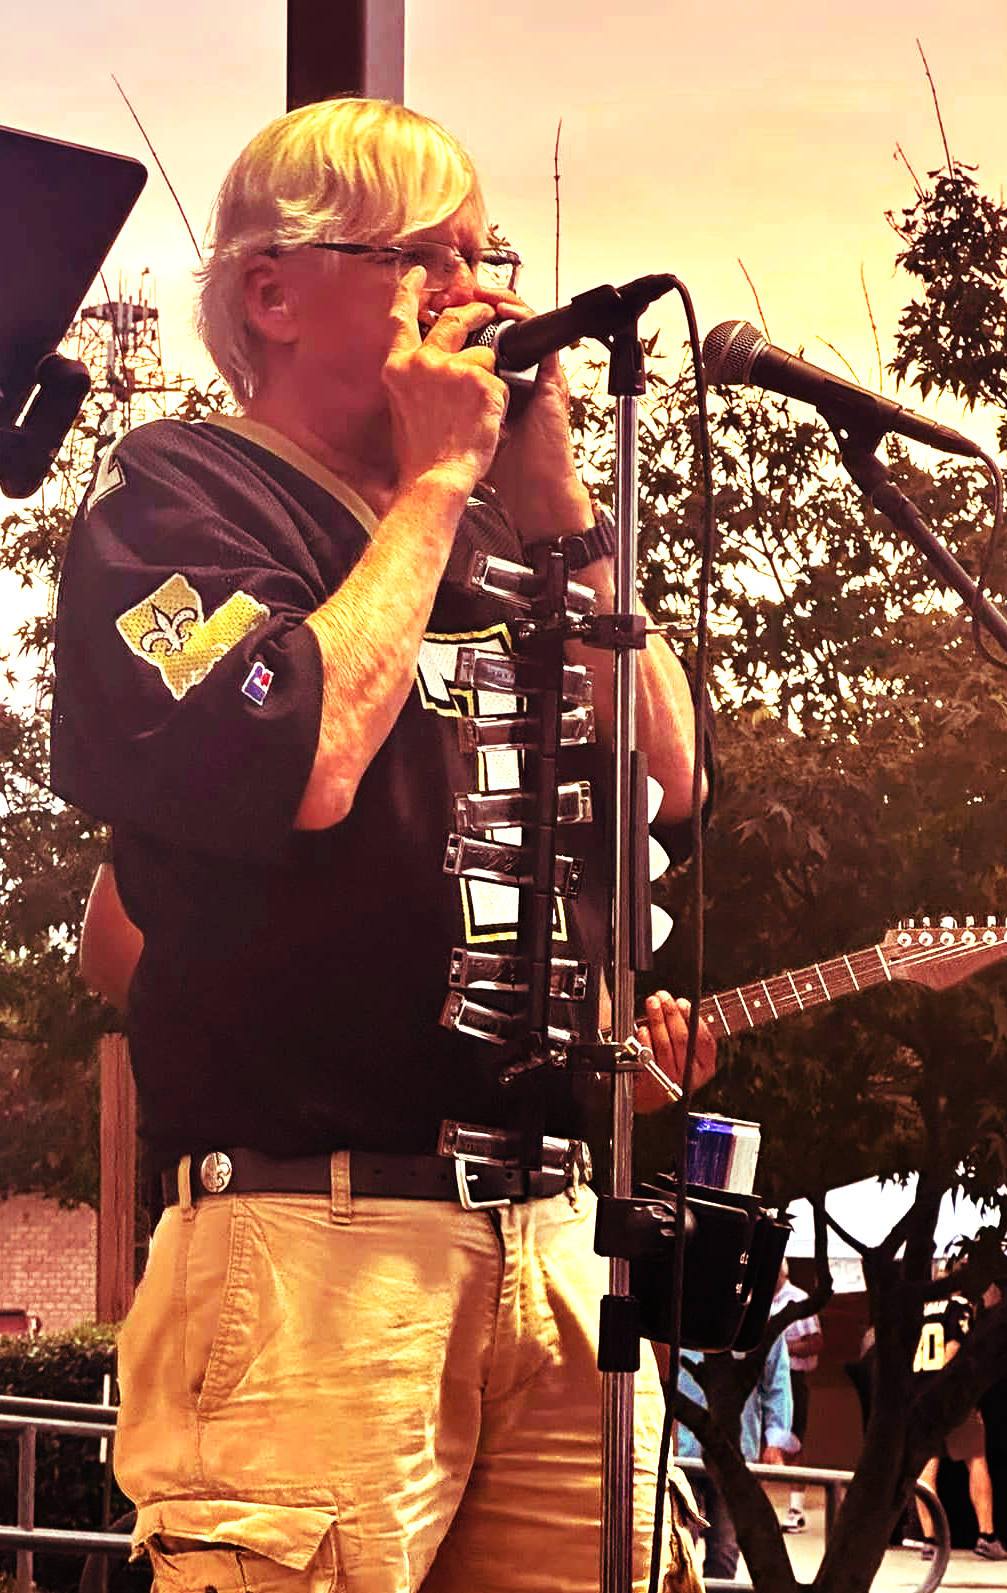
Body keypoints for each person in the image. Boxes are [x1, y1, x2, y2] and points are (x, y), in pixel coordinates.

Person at [51, 97, 716, 1593]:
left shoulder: (510, 531)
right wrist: (428, 486)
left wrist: (548, 503)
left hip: (553, 1243)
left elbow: (669, 779)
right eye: (425, 258)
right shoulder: (179, 499)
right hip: (310, 1237)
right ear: (272, 293)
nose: (480, 295)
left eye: (491, 256)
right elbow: (294, 760)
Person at [674, 1338, 795, 1579]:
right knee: (679, 1548)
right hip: (682, 1455)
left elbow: (777, 1384)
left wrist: (776, 1442)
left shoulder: (760, 1319)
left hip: (734, 1456)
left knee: (724, 1549)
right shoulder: (679, 1309)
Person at [913, 1289, 1007, 1562]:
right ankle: (987, 1535)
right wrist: (945, 1386)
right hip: (951, 1393)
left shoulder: (920, 1306)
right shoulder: (959, 1307)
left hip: (920, 1389)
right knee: (975, 1457)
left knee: (926, 1463)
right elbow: (954, 1347)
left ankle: (929, 1539)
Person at [770, 1259, 823, 1532]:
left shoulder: (798, 1300)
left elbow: (815, 1342)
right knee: (758, 1439)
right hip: (763, 1378)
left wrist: (782, 1347)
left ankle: (795, 1509)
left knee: (793, 1442)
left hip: (792, 1377)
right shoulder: (760, 1300)